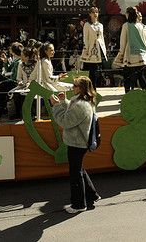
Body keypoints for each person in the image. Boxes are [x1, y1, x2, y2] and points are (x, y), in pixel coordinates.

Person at [50, 75, 100, 214]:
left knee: (75, 173)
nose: (72, 87)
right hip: (79, 142)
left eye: (75, 86)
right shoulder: (82, 101)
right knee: (79, 169)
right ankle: (92, 195)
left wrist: (56, 106)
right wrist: (63, 101)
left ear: (81, 89)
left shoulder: (80, 105)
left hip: (77, 143)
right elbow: (72, 113)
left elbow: (65, 121)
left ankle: (79, 205)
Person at [114, 7, 146, 93]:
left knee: (127, 78)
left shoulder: (126, 25)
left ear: (128, 14)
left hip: (130, 56)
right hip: (142, 56)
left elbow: (123, 42)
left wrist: (120, 54)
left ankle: (128, 96)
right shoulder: (143, 26)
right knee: (141, 76)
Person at [0, 42, 23, 116]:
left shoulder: (18, 62)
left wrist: (3, 82)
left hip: (15, 82)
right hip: (12, 79)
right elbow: (8, 70)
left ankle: (1, 107)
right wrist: (5, 62)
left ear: (14, 51)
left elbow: (14, 78)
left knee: (0, 85)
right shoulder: (15, 60)